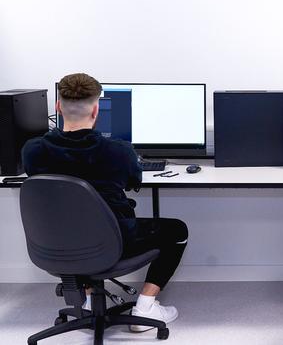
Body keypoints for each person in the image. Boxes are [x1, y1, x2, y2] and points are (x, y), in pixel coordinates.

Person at [22, 73, 188, 332]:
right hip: (114, 242)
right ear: (97, 109)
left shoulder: (32, 151)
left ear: (57, 106)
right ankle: (145, 306)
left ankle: (88, 299)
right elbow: (134, 180)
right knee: (177, 230)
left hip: (56, 242)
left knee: (77, 223)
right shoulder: (119, 152)